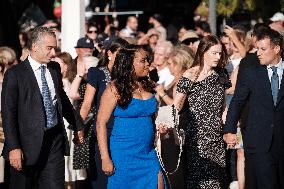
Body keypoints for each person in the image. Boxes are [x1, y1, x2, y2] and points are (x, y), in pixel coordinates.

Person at [1, 26, 84, 189]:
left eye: (55, 48)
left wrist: (77, 124)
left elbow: (62, 101)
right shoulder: (15, 74)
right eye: (49, 48)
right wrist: (14, 147)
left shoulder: (54, 69)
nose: (53, 53)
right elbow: (8, 114)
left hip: (54, 142)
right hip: (25, 145)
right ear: (34, 47)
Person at [96, 45, 166, 188]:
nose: (148, 64)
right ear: (129, 63)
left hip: (148, 153)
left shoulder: (149, 85)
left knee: (158, 182)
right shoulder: (114, 88)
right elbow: (100, 123)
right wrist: (105, 158)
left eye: (148, 60)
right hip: (123, 155)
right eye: (143, 61)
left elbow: (155, 118)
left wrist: (160, 128)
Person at [224, 28, 284, 189]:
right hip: (260, 142)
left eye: (263, 49)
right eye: (257, 48)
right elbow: (237, 102)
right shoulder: (251, 73)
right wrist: (229, 129)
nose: (258, 53)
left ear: (276, 49)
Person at [174, 35, 230, 188]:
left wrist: (229, 129)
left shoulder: (222, 74)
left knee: (218, 179)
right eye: (214, 53)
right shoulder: (190, 74)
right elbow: (176, 106)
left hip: (216, 136)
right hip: (196, 137)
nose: (218, 57)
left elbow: (223, 106)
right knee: (200, 179)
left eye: (220, 53)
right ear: (203, 52)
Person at [79, 37, 128, 189]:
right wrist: (79, 127)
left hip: (124, 130)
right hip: (103, 129)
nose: (123, 58)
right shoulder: (97, 73)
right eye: (120, 53)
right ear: (109, 54)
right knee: (103, 177)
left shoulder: (127, 76)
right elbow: (87, 103)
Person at [155, 45, 194, 189]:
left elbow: (176, 106)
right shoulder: (175, 79)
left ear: (179, 63)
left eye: (170, 63)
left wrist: (162, 93)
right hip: (167, 129)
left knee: (174, 170)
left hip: (176, 131)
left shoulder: (182, 81)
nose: (168, 66)